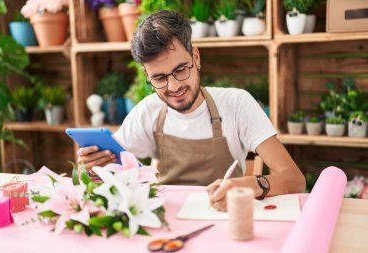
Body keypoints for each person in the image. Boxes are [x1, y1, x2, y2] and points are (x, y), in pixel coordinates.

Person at [77, 10, 305, 211]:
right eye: (159, 77)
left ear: (195, 57)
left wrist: (247, 185)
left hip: (225, 220)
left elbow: (295, 180)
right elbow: (104, 174)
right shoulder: (148, 111)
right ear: (147, 75)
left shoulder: (237, 104)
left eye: (180, 70)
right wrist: (94, 168)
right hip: (168, 222)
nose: (174, 86)